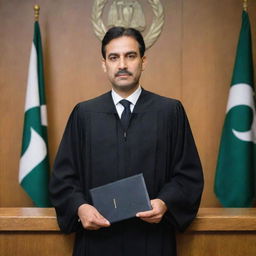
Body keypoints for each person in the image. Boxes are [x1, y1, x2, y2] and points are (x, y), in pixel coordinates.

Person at [49, 26, 204, 256]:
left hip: (152, 241)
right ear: (104, 64)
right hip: (96, 243)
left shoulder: (170, 112)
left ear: (143, 61)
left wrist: (164, 202)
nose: (122, 64)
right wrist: (80, 207)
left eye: (130, 56)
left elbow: (187, 175)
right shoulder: (84, 114)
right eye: (114, 57)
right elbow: (63, 178)